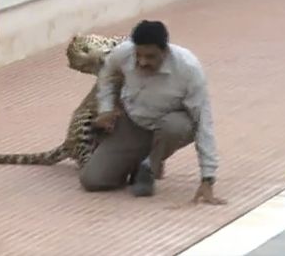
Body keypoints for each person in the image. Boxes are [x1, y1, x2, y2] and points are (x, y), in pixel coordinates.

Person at [79, 20, 226, 205]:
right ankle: (136, 162)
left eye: (150, 57)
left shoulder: (188, 68)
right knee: (93, 181)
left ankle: (150, 166)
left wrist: (208, 177)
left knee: (176, 126)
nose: (142, 62)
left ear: (165, 51)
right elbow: (106, 76)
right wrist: (106, 108)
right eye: (138, 55)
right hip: (134, 121)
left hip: (170, 124)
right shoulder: (123, 53)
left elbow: (203, 121)